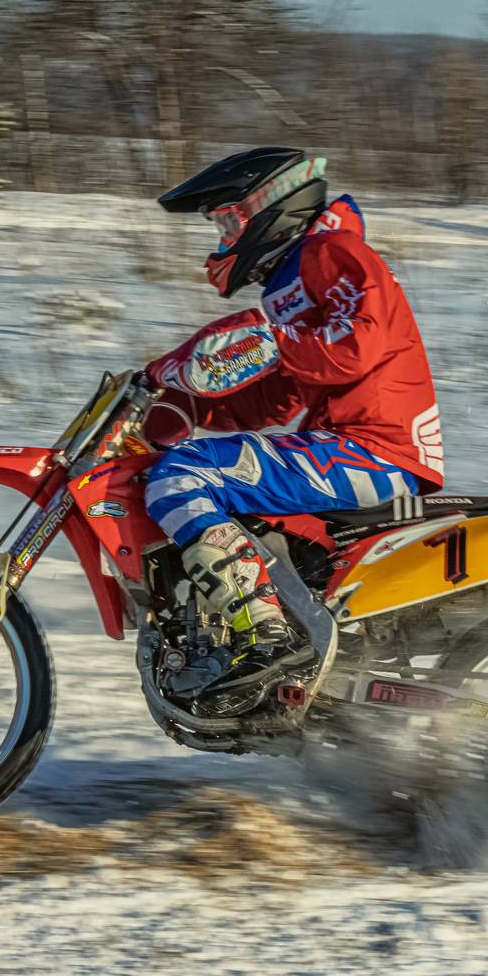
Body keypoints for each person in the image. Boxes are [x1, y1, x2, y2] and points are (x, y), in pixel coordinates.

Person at [142, 147, 444, 670]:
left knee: (182, 475)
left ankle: (264, 635)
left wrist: (265, 340)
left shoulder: (333, 250)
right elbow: (281, 395)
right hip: (352, 447)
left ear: (270, 207)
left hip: (374, 450)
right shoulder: (297, 279)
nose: (224, 239)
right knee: (206, 471)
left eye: (229, 221)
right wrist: (192, 407)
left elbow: (357, 346)